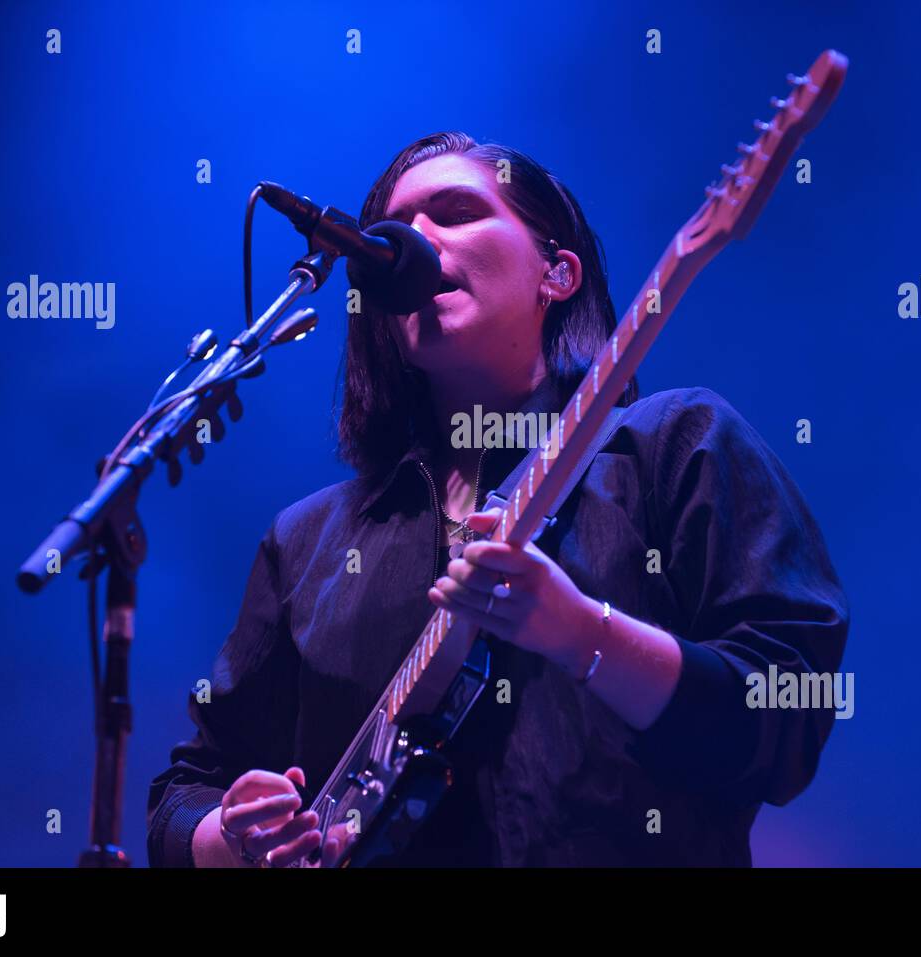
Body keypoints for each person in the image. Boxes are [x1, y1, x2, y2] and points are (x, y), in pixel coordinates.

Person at [146, 131, 850, 867]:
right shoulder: (308, 539)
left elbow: (785, 717)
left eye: (455, 212)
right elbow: (186, 787)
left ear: (558, 272)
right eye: (394, 230)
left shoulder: (677, 444)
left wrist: (585, 633)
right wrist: (228, 835)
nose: (414, 240)